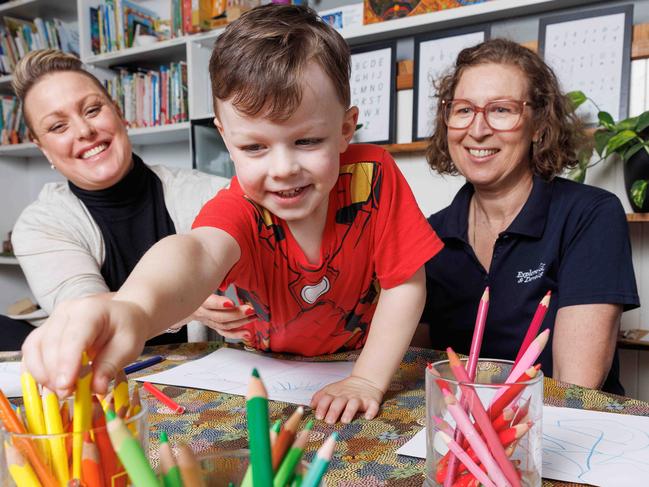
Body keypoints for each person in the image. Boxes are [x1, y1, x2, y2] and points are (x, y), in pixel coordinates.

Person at [22, 5, 442, 424]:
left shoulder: (375, 174)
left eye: (308, 140)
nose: (282, 169)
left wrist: (367, 380)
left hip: (363, 364)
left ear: (346, 129)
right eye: (255, 147)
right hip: (268, 379)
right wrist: (134, 307)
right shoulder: (237, 203)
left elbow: (404, 284)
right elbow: (197, 252)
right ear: (225, 137)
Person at [421, 38, 639, 394]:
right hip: (462, 430)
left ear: (538, 124)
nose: (477, 130)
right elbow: (417, 367)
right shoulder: (431, 233)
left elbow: (575, 387)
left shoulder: (590, 215)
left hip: (563, 427)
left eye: (501, 110)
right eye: (463, 110)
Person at [4, 49, 230, 347]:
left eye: (93, 110)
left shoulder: (212, 193)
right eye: (58, 126)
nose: (85, 130)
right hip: (114, 383)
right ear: (43, 148)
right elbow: (91, 320)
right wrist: (182, 303)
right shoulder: (38, 226)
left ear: (119, 112)